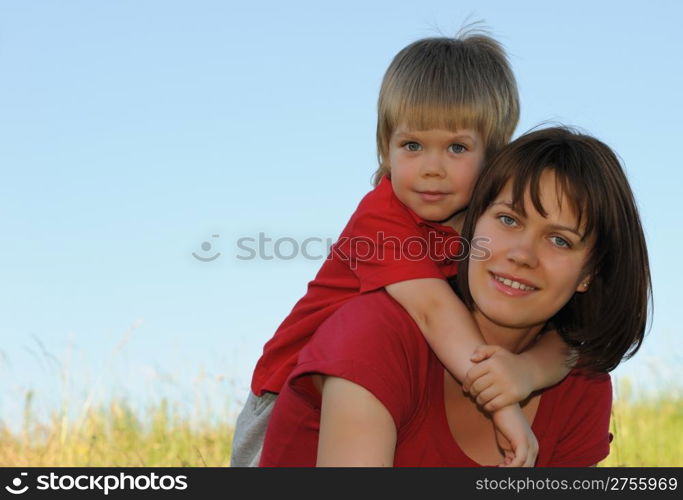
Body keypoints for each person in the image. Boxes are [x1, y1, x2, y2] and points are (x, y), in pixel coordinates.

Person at [231, 32, 574, 467]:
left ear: (494, 154)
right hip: (292, 394)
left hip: (379, 395)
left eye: (456, 147)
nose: (432, 168)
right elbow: (433, 311)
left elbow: (573, 336)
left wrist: (529, 373)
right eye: (412, 146)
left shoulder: (492, 226)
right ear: (385, 149)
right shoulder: (381, 218)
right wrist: (503, 405)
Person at [259, 127, 651, 467]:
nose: (521, 254)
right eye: (508, 219)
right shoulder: (375, 333)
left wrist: (531, 370)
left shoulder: (581, 385)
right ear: (471, 224)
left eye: (560, 240)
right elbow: (430, 312)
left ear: (589, 273)